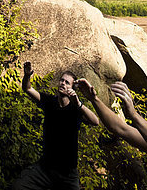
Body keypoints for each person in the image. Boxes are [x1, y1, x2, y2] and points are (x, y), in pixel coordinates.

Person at [12, 62, 99, 190]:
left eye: (67, 82)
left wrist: (78, 103)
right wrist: (27, 76)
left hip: (68, 174)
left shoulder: (76, 109)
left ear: (72, 89)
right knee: (17, 187)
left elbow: (95, 121)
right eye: (61, 80)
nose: (63, 83)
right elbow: (28, 89)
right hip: (45, 169)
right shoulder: (49, 102)